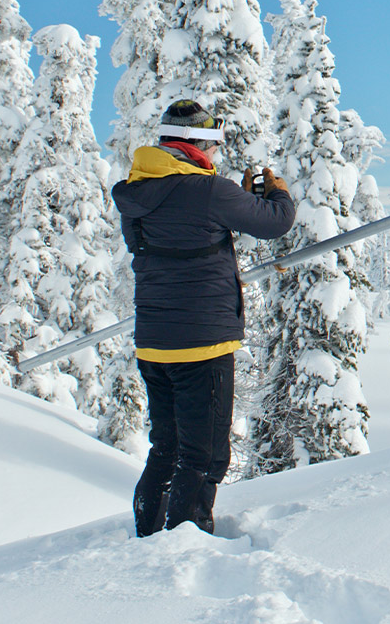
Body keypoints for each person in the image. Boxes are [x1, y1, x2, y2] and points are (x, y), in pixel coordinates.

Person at [112, 98, 294, 536]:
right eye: (213, 148)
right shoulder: (210, 191)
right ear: (197, 146)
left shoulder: (137, 190)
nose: (215, 157)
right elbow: (276, 222)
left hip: (154, 341)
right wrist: (277, 191)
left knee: (167, 447)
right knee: (205, 454)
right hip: (202, 343)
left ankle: (149, 534)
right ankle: (185, 545)